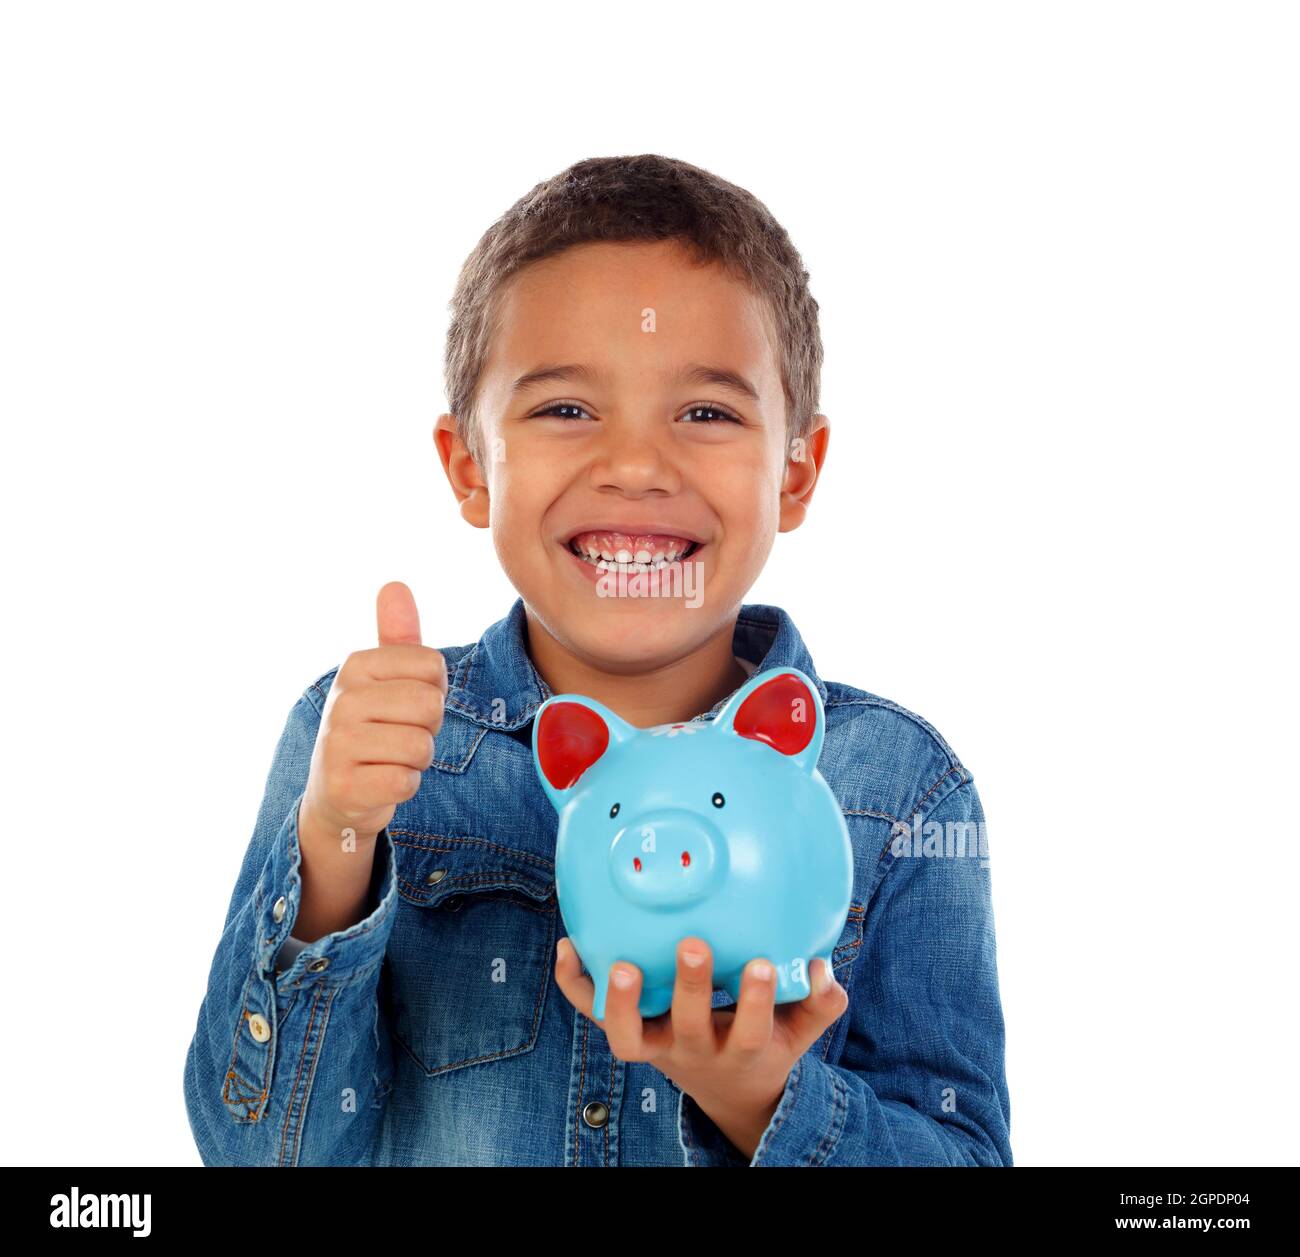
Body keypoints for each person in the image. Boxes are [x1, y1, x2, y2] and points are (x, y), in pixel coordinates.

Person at [183, 153, 1012, 1166]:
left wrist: (758, 1095)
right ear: (468, 466)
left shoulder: (900, 790)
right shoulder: (364, 739)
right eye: (566, 410)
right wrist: (336, 847)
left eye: (705, 412)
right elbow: (256, 1151)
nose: (633, 464)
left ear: (795, 472)